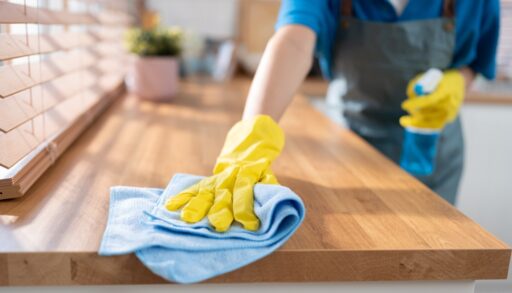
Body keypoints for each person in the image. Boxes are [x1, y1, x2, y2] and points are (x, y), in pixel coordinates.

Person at [166, 0, 500, 232]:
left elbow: (476, 60)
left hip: (432, 153)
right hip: (347, 149)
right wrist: (251, 134)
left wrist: (458, 82)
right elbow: (295, 40)